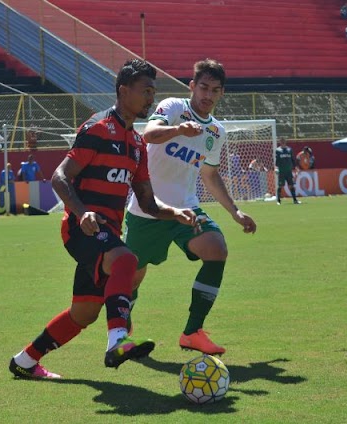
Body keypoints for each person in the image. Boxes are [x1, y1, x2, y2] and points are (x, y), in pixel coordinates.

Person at [9, 58, 199, 380]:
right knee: (126, 260)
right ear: (124, 91)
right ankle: (117, 342)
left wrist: (173, 213)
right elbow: (59, 177)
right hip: (80, 227)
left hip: (106, 232)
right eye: (146, 91)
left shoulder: (137, 145)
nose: (150, 99)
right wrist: (82, 212)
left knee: (83, 313)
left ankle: (25, 360)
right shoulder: (97, 128)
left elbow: (148, 203)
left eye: (153, 92)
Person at [124, 59, 257, 356]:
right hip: (148, 208)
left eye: (215, 90)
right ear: (192, 86)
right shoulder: (173, 107)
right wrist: (179, 130)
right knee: (132, 275)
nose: (208, 95)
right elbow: (148, 134)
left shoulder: (216, 132)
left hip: (186, 209)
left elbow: (210, 175)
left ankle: (192, 332)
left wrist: (235, 212)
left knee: (216, 249)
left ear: (222, 94)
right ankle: (124, 314)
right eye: (204, 88)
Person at [275, 137, 301, 205]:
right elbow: (277, 161)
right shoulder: (278, 150)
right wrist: (276, 168)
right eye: (281, 141)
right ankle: (278, 201)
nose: (283, 142)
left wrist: (295, 167)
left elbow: (292, 159)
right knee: (280, 186)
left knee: (291, 185)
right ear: (280, 142)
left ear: (285, 141)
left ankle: (295, 200)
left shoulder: (289, 150)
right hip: (281, 171)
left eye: (283, 141)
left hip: (289, 171)